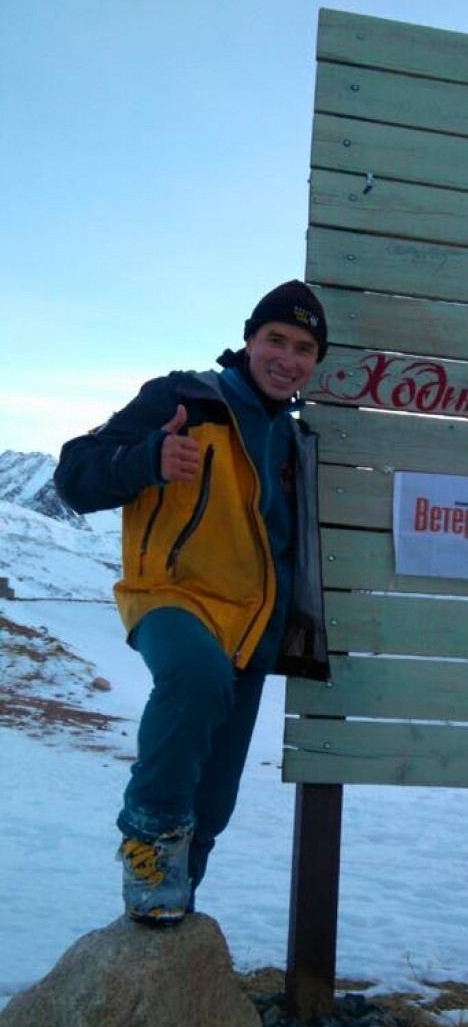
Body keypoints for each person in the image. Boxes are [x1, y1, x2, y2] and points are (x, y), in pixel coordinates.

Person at [54, 280, 330, 924]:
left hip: (253, 626)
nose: (287, 359)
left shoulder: (296, 442)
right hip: (171, 597)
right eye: (276, 340)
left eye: (304, 348)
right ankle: (148, 839)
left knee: (214, 800)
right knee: (195, 676)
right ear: (248, 340)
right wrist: (146, 459)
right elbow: (74, 477)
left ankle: (172, 907)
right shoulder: (183, 398)